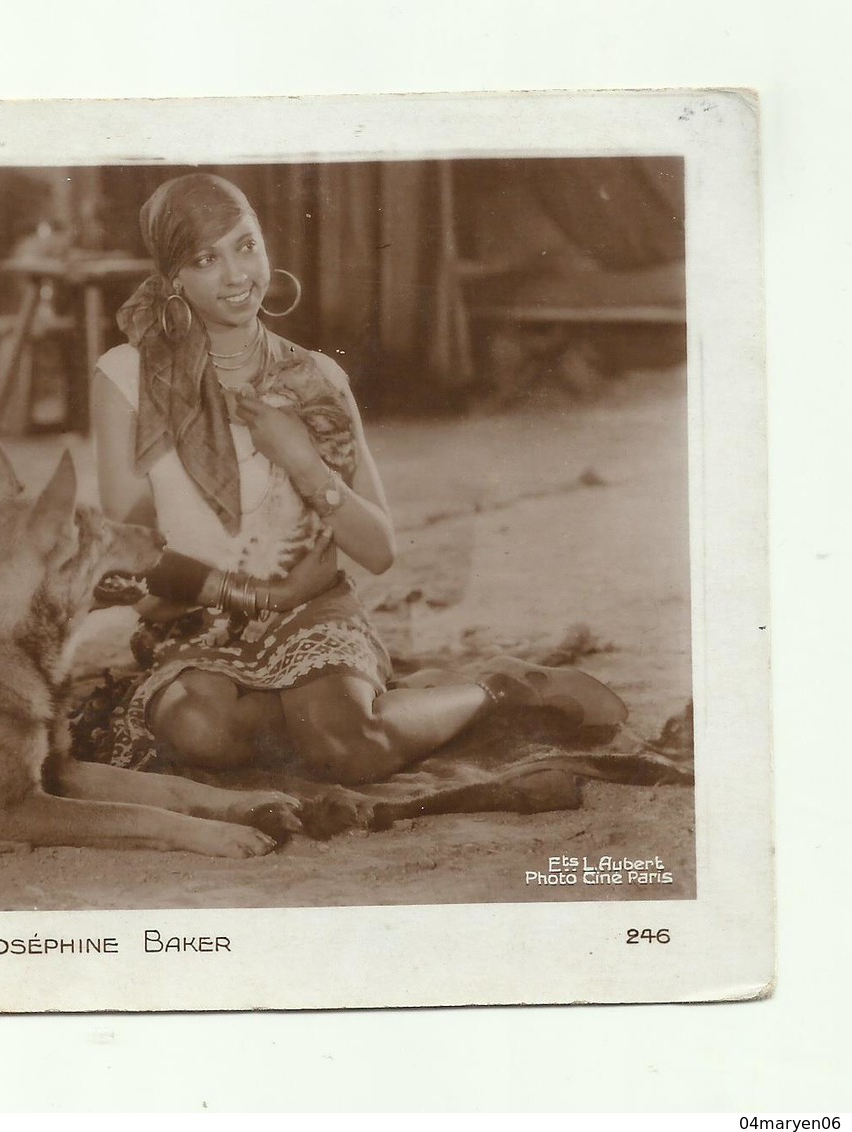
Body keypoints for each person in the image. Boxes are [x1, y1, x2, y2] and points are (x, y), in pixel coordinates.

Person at [86, 173, 626, 784]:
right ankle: (333, 706)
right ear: (173, 277)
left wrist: (302, 461)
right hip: (195, 619)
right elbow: (126, 549)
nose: (237, 275)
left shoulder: (316, 380)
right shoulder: (127, 377)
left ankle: (495, 689)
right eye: (207, 259)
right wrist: (255, 596)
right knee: (202, 734)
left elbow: (378, 549)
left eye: (247, 245)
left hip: (312, 611)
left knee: (350, 753)